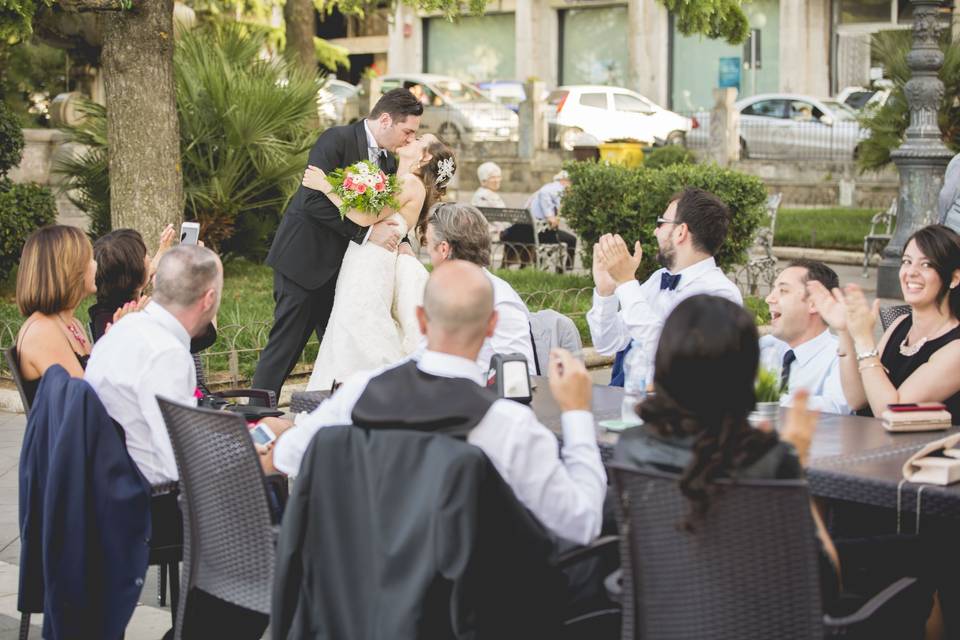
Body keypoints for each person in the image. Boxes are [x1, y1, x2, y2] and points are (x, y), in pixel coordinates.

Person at [612, 295, 937, 629]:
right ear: (744, 371)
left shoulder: (632, 447)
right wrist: (796, 457)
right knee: (922, 551)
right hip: (765, 623)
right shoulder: (765, 458)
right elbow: (823, 579)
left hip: (670, 620)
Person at [260, 260, 606, 546]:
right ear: (492, 326)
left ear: (422, 320)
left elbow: (285, 456)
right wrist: (577, 413)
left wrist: (278, 431)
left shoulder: (359, 394)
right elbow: (582, 523)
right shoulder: (509, 426)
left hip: (360, 605)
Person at [252, 88, 424, 397]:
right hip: (305, 261)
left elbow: (385, 210)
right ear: (385, 119)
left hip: (345, 272)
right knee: (286, 346)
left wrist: (404, 240)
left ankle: (338, 408)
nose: (410, 139)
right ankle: (256, 411)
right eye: (407, 130)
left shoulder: (387, 163)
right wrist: (367, 234)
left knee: (340, 347)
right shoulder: (337, 140)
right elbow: (312, 202)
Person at [300, 134, 456, 391]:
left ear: (425, 156)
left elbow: (363, 217)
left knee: (358, 325)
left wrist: (325, 185)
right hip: (368, 257)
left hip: (371, 262)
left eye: (418, 139)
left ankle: (360, 392)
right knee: (350, 325)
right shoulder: (404, 180)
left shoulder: (409, 183)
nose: (410, 139)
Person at [85, 245, 223, 487]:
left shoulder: (127, 327)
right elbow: (179, 461)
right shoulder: (166, 353)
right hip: (153, 501)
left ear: (157, 280)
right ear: (209, 299)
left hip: (111, 482)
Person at [587, 187, 742, 384]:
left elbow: (670, 354)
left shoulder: (720, 294)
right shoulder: (657, 279)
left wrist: (626, 282)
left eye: (661, 223)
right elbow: (607, 344)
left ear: (681, 232)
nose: (655, 230)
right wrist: (606, 292)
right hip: (628, 401)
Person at [808, 224, 960, 422]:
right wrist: (845, 330)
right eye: (907, 261)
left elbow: (891, 411)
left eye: (926, 265)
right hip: (873, 444)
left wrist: (864, 339)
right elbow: (858, 399)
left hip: (922, 451)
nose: (911, 272)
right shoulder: (899, 324)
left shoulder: (955, 348)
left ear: (954, 278)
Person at [421, 202, 535, 370]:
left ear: (444, 249)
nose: (429, 253)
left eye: (429, 245)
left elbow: (519, 376)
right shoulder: (442, 291)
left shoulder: (500, 301)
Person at [14, 225, 97, 406]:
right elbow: (88, 400)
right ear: (70, 269)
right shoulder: (43, 332)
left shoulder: (71, 323)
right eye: (89, 258)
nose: (95, 264)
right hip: (71, 433)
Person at [760, 259, 849, 414]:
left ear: (814, 303)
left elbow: (836, 407)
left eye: (783, 291)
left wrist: (763, 397)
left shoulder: (840, 356)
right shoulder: (766, 345)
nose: (769, 299)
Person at [87, 225, 179, 342]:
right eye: (145, 255)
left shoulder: (104, 312)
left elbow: (130, 277)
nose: (149, 258)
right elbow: (201, 337)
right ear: (137, 271)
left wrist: (162, 252)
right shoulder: (134, 318)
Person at [501, 170, 577, 268]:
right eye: (572, 183)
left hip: (522, 230)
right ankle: (566, 268)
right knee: (571, 239)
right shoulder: (557, 189)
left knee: (562, 238)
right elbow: (546, 197)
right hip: (535, 232)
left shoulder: (544, 190)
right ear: (564, 181)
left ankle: (553, 265)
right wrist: (550, 216)